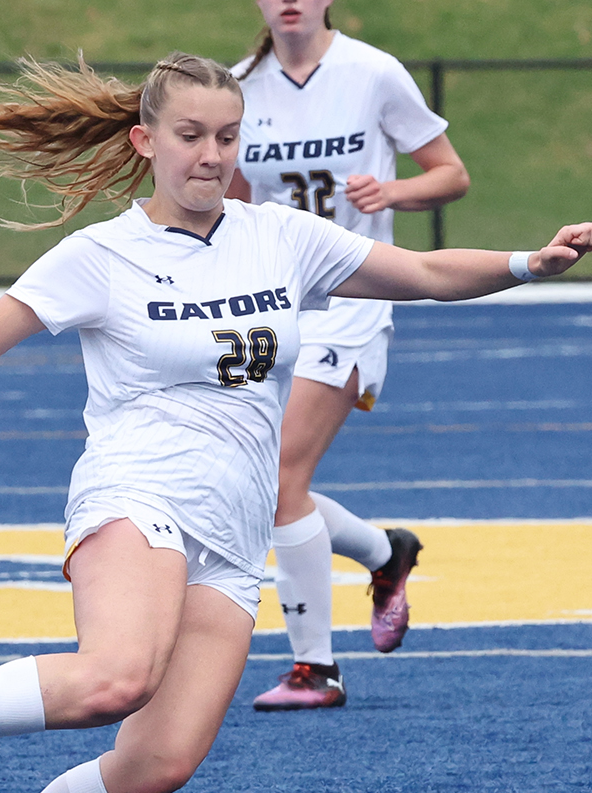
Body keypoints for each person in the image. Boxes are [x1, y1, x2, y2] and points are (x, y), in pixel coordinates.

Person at [0, 52, 592, 793]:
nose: (212, 154)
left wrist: (530, 261)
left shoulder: (280, 236)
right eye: (190, 136)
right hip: (137, 492)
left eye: (227, 135)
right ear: (146, 142)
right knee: (114, 678)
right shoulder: (102, 254)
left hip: (235, 527)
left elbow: (431, 274)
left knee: (160, 762)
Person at [229, 0, 470, 711]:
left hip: (352, 300)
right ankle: (384, 552)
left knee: (278, 479)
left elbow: (451, 174)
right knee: (266, 486)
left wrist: (392, 190)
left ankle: (316, 670)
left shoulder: (372, 72)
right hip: (275, 308)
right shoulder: (240, 84)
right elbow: (235, 200)